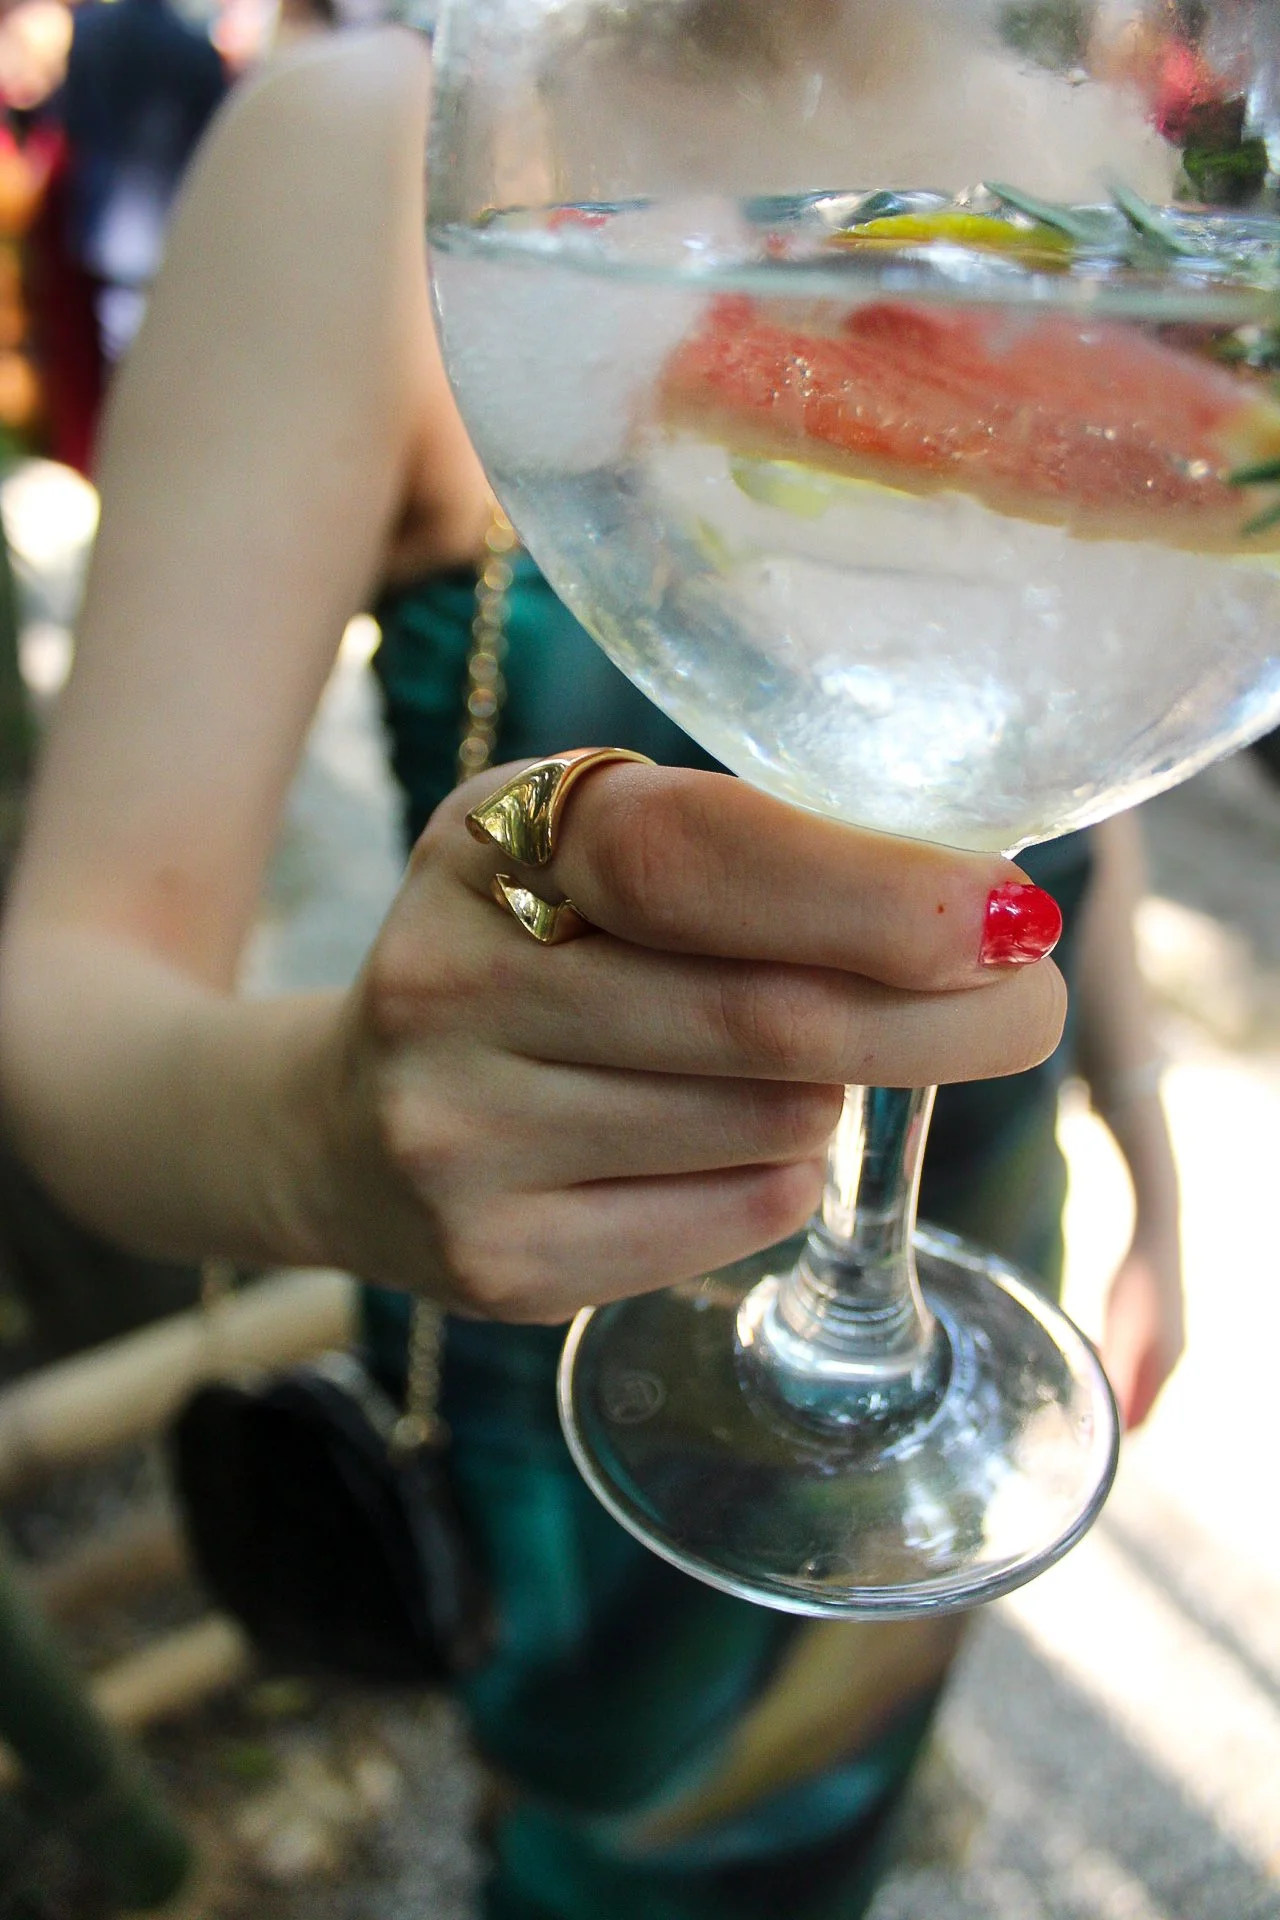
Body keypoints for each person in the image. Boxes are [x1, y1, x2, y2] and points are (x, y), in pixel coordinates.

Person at [0, 31, 1182, 1920]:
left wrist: (1146, 1162)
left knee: (848, 1794)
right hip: (587, 1375)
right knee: (623, 1854)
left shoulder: (1089, 127)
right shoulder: (378, 148)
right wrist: (325, 1146)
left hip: (971, 1292)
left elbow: (1082, 688)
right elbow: (58, 1004)